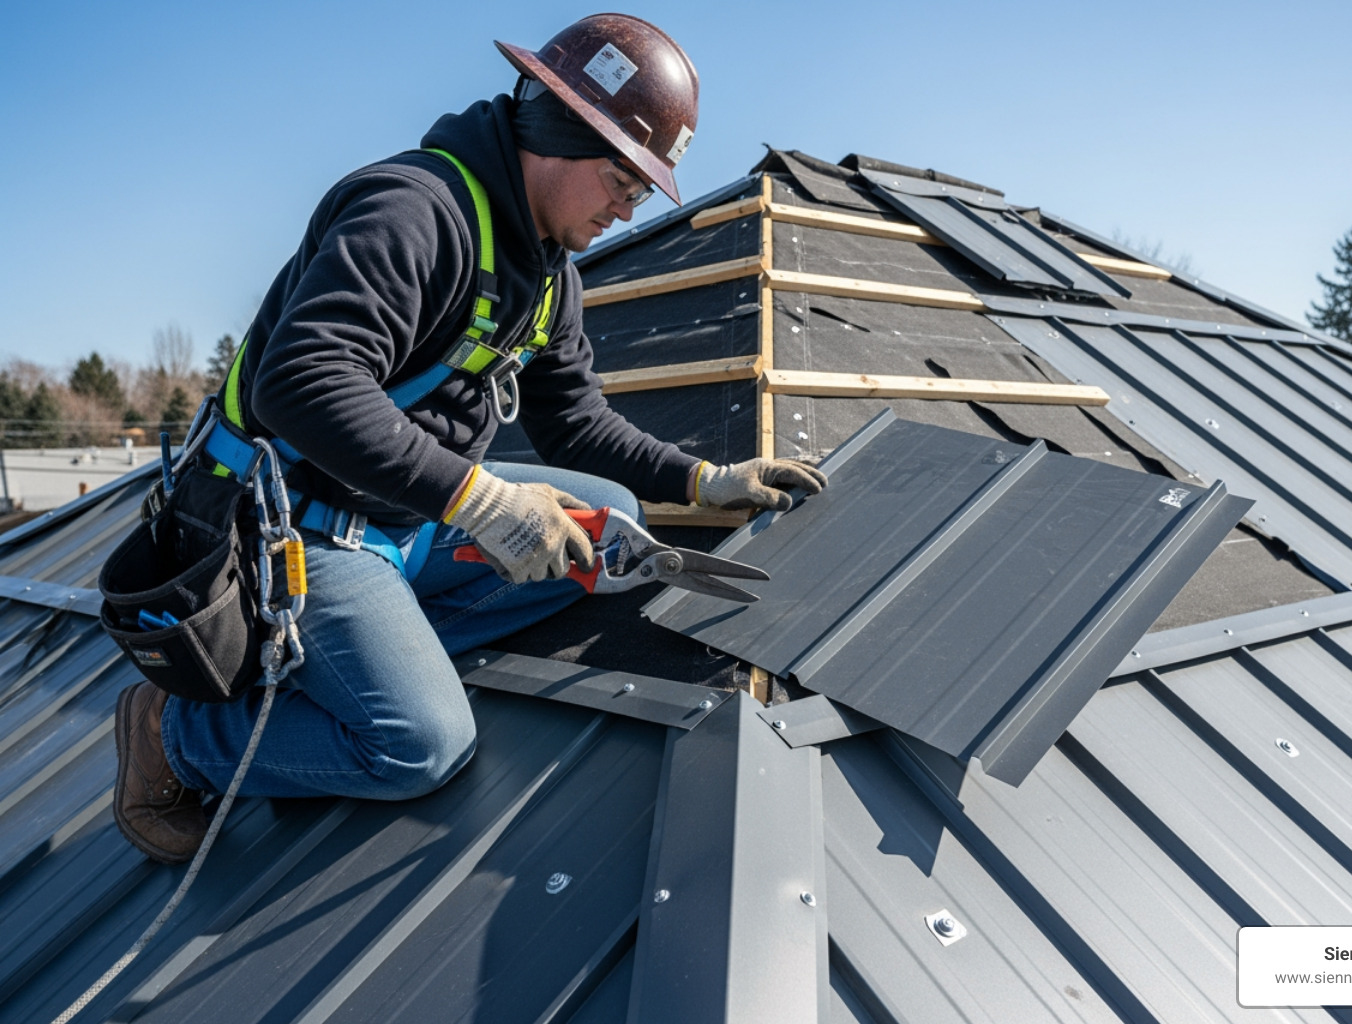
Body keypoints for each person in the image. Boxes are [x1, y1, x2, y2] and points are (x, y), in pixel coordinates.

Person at [112, 14, 827, 865]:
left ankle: (375, 645)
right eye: (622, 182)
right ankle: (179, 737)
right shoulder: (415, 211)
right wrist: (484, 502)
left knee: (609, 529)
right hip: (297, 528)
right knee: (421, 743)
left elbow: (574, 421)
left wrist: (705, 479)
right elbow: (302, 381)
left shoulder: (548, 271)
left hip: (403, 516)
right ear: (559, 132)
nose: (625, 210)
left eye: (641, 193)